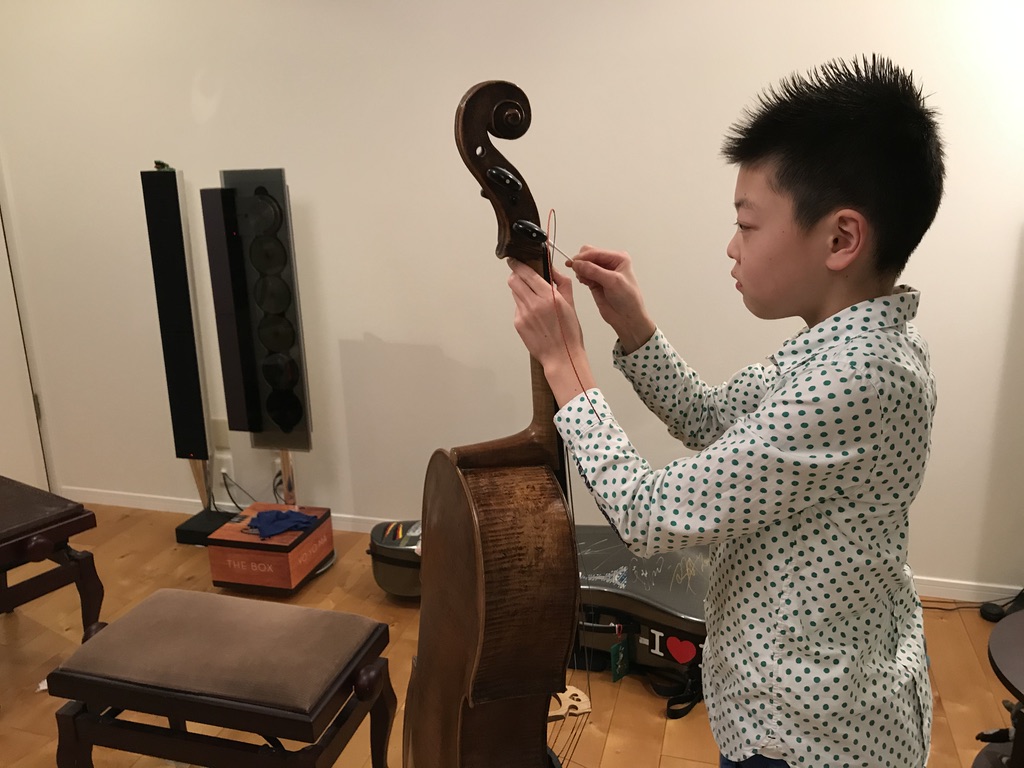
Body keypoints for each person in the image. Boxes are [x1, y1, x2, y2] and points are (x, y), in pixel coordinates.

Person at [507, 55, 945, 768]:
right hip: (807, 702)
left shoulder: (860, 378)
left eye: (748, 224)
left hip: (809, 736)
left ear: (841, 239)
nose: (732, 247)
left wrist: (567, 365)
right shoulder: (848, 346)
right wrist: (634, 328)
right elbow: (712, 420)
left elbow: (647, 515)